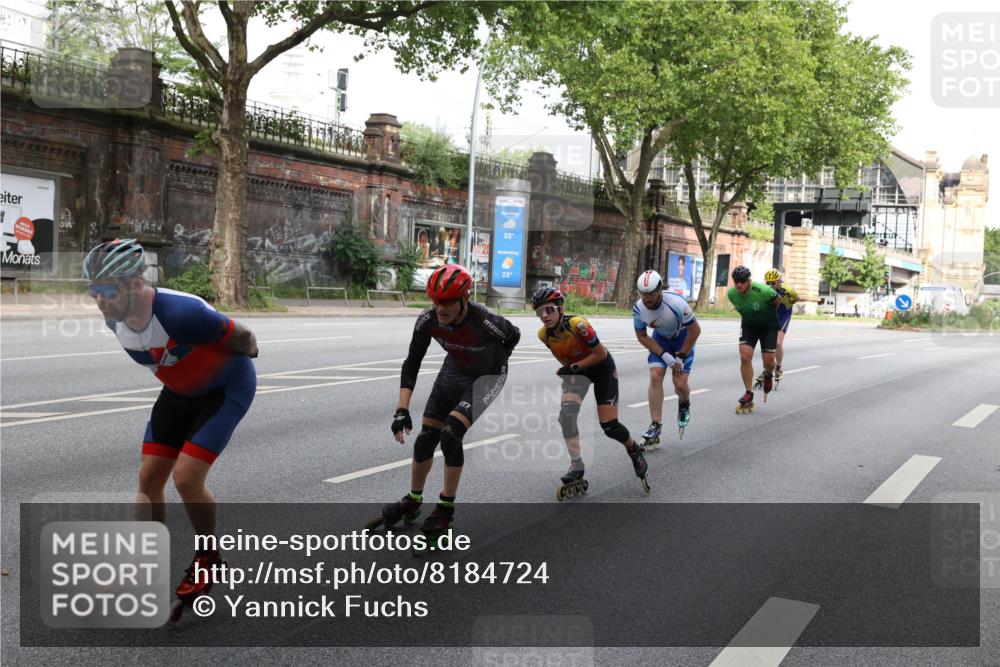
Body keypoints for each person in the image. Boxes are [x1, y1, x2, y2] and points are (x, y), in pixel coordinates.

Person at [83, 239, 258, 612]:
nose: (99, 299)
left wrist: (234, 358)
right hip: (178, 391)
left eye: (107, 289)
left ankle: (209, 558)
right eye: (93, 290)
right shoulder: (112, 314)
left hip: (225, 388)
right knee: (148, 479)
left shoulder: (182, 312)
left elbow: (245, 338)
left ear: (135, 283)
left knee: (187, 478)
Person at [373, 264, 520, 540]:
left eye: (447, 302)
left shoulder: (487, 321)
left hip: (485, 377)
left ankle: (445, 508)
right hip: (453, 371)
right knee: (426, 438)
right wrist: (401, 408)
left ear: (464, 299)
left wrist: (496, 359)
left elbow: (514, 336)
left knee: (451, 434)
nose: (440, 308)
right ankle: (414, 499)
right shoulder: (427, 319)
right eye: (435, 300)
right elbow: (412, 363)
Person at [532, 287, 650, 499]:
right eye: (539, 312)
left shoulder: (579, 325)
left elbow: (601, 353)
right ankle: (576, 465)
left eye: (549, 310)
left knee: (610, 427)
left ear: (561, 308)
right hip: (578, 370)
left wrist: (573, 368)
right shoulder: (544, 335)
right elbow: (563, 357)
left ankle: (634, 449)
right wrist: (571, 372)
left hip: (601, 367)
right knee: (566, 417)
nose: (544, 316)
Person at [633, 269, 702, 444]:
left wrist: (681, 356)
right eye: (643, 294)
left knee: (679, 383)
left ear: (659, 291)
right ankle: (655, 424)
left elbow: (695, 331)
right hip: (661, 340)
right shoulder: (639, 308)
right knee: (655, 376)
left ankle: (684, 401)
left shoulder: (677, 304)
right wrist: (663, 354)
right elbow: (641, 336)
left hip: (682, 339)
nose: (646, 298)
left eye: (651, 294)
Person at [727, 266, 782, 413]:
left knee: (768, 361)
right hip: (749, 325)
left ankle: (768, 374)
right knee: (745, 356)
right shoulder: (731, 294)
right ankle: (749, 392)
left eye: (742, 281)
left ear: (749, 281)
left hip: (768, 326)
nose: (739, 284)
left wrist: (769, 313)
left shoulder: (763, 290)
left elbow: (778, 300)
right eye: (736, 281)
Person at [763, 268, 800, 385]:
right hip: (773, 314)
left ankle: (778, 367)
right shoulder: (764, 290)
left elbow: (796, 298)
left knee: (778, 342)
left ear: (779, 282)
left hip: (784, 314)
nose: (770, 285)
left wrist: (788, 301)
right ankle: (769, 366)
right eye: (767, 283)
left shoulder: (787, 289)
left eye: (773, 283)